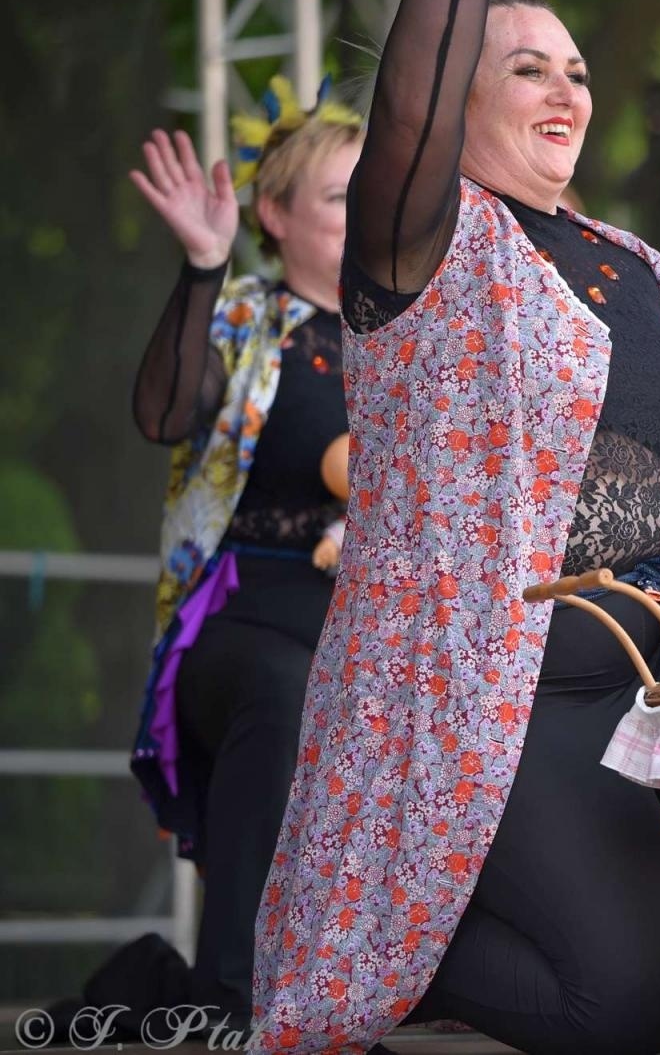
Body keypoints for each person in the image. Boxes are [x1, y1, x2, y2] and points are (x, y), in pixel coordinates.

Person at [248, 0, 660, 1053]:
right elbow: (411, 111)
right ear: (453, 91)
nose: (566, 90)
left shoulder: (636, 265)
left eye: (577, 71)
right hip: (492, 681)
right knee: (622, 1008)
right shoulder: (414, 237)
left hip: (650, 645)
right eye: (527, 69)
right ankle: (407, 934)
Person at [116, 78, 361, 1028]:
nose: (365, 214)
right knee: (286, 688)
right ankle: (237, 997)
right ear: (275, 214)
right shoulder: (247, 317)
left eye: (372, 195)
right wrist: (203, 267)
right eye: (341, 197)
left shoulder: (419, 336)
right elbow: (164, 415)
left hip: (368, 618)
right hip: (245, 614)